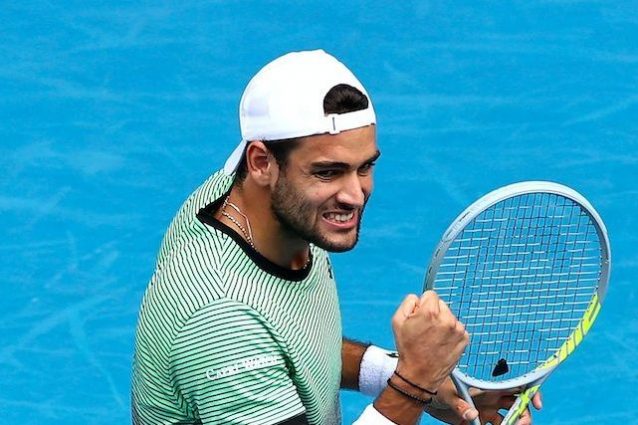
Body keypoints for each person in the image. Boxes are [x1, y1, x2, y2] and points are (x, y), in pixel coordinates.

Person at [131, 49, 541, 425]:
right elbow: (249, 341)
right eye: (328, 172)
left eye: (364, 167)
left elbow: (294, 347)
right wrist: (413, 382)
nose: (354, 195)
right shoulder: (221, 319)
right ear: (261, 163)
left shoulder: (249, 202)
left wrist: (423, 382)